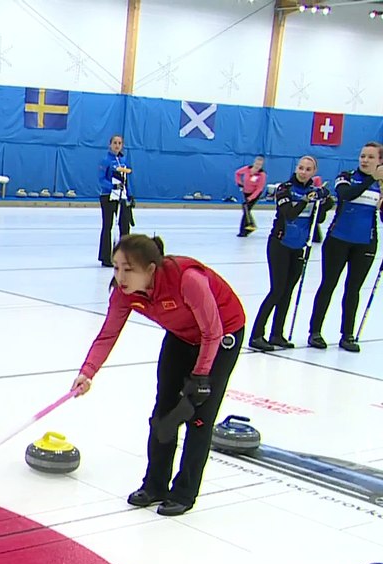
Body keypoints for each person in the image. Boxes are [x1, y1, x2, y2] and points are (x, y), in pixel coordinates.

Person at [72, 234, 246, 516]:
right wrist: (87, 372)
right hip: (181, 336)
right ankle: (155, 485)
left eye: (129, 269)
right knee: (163, 414)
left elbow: (212, 332)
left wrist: (201, 378)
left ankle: (184, 493)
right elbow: (108, 334)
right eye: (116, 267)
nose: (120, 276)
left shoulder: (187, 279)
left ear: (151, 269)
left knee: (199, 417)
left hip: (221, 335)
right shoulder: (123, 293)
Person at [306, 141, 383, 353]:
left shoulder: (381, 185)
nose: (365, 160)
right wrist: (371, 179)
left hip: (365, 243)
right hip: (338, 240)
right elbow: (346, 195)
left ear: (380, 161)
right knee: (328, 285)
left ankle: (347, 334)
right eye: (363, 156)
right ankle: (315, 331)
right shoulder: (346, 176)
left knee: (353, 290)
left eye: (370, 157)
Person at [249, 156, 332, 351]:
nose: (303, 172)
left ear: (314, 172)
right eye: (301, 168)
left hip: (298, 247)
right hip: (280, 244)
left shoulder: (312, 191)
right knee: (277, 290)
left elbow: (318, 218)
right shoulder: (284, 188)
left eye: (308, 169)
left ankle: (277, 333)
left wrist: (324, 201)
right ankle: (257, 334)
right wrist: (305, 200)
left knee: (287, 292)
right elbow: (289, 213)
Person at [98, 135, 132, 268]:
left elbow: (126, 180)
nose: (117, 145)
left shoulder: (123, 160)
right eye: (115, 143)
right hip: (108, 196)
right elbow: (101, 179)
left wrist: (129, 195)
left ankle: (125, 255)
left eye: (119, 143)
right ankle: (106, 257)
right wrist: (112, 186)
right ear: (110, 144)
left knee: (124, 225)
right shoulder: (106, 160)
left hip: (121, 197)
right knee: (108, 226)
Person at [234, 156, 267, 237]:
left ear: (262, 165)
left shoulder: (262, 175)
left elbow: (259, 188)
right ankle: (250, 226)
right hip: (246, 192)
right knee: (246, 210)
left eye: (260, 164)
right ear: (254, 162)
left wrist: (251, 197)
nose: (257, 165)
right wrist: (239, 183)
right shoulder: (247, 169)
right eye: (257, 163)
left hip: (254, 194)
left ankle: (244, 231)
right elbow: (237, 173)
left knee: (246, 209)